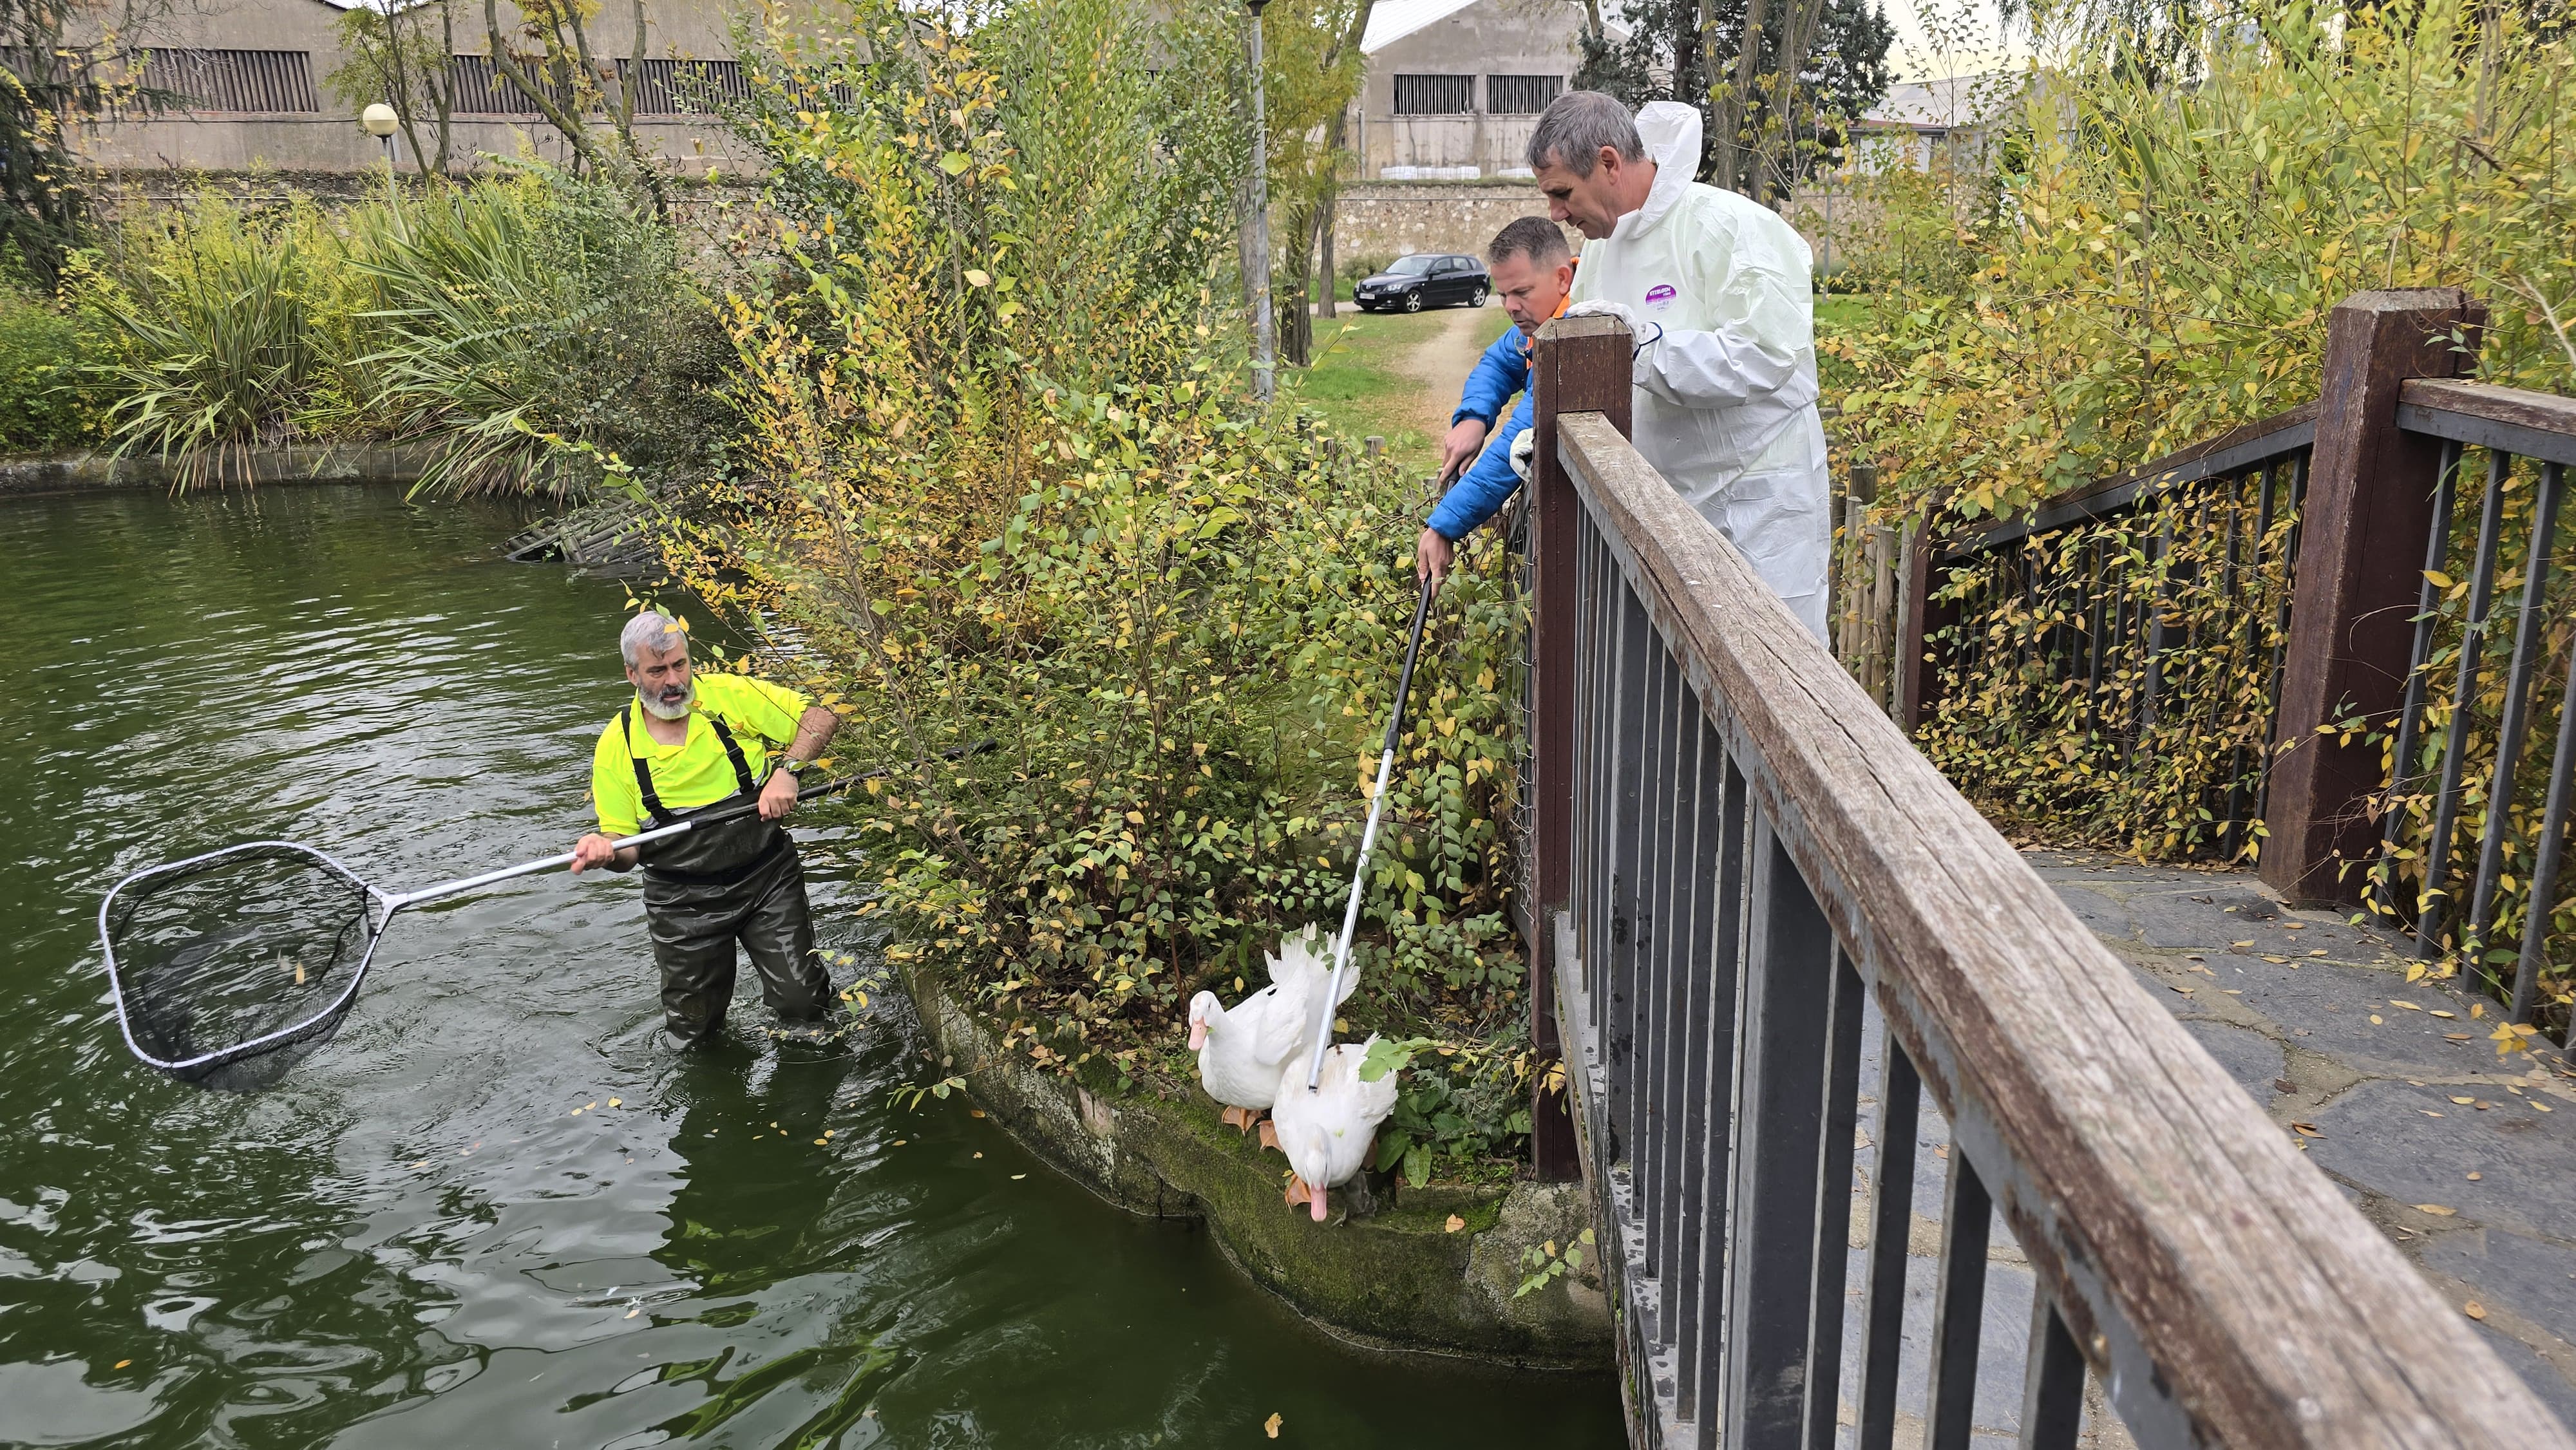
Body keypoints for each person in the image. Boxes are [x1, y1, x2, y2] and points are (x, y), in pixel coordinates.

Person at [1524, 91, 1832, 638]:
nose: (1556, 214)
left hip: (1756, 510)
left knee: (1777, 668)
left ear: (1609, 163)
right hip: (1665, 508)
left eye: (1562, 193)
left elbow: (1767, 356)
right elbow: (1593, 356)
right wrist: (1552, 431)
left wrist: (1644, 347)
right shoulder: (1603, 249)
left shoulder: (1732, 228)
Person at [570, 610, 839, 1047]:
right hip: (682, 903)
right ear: (632, 674)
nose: (673, 680)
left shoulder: (728, 697)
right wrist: (605, 849)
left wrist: (788, 771)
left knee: (804, 1003)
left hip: (766, 877)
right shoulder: (615, 746)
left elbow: (822, 716)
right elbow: (625, 848)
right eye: (657, 671)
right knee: (694, 1031)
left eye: (680, 665)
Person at [1416, 216, 1578, 587]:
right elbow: (1498, 362)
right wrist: (1472, 418)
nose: (1510, 306)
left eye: (1521, 292)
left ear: (1562, 278)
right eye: (1503, 295)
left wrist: (1443, 525)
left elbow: (1520, 438)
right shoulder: (1541, 323)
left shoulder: (1571, 330)